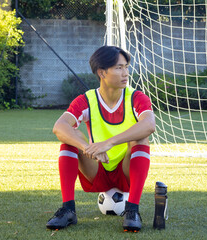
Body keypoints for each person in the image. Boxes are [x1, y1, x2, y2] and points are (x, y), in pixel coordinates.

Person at [46, 45, 155, 232]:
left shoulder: (136, 97)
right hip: (96, 170)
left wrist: (108, 143)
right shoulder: (87, 100)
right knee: (70, 139)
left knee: (141, 139)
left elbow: (149, 125)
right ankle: (68, 210)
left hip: (126, 171)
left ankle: (132, 211)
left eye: (126, 67)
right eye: (119, 68)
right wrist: (87, 147)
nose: (125, 73)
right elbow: (59, 126)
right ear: (102, 72)